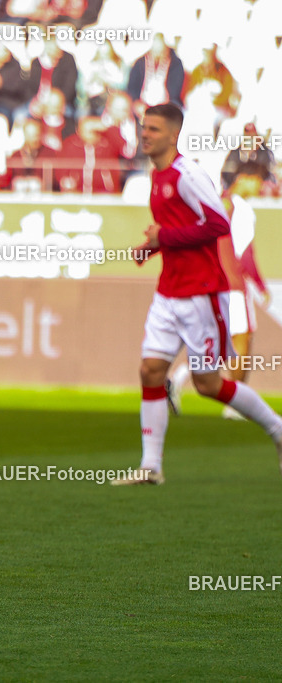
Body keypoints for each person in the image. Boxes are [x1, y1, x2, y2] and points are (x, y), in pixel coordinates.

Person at [113, 104, 282, 486]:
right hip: (168, 292)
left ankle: (277, 429)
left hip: (201, 295)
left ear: (173, 135)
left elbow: (218, 224)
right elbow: (176, 229)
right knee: (150, 371)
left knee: (207, 384)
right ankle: (151, 465)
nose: (145, 135)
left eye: (153, 129)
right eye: (144, 127)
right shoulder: (156, 177)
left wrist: (164, 238)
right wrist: (152, 248)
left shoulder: (188, 175)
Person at [167, 162, 272, 418]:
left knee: (217, 345)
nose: (261, 187)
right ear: (245, 178)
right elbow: (244, 254)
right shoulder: (242, 208)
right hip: (233, 285)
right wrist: (259, 285)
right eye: (258, 181)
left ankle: (179, 378)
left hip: (210, 282)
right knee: (241, 342)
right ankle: (234, 405)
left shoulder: (216, 203)